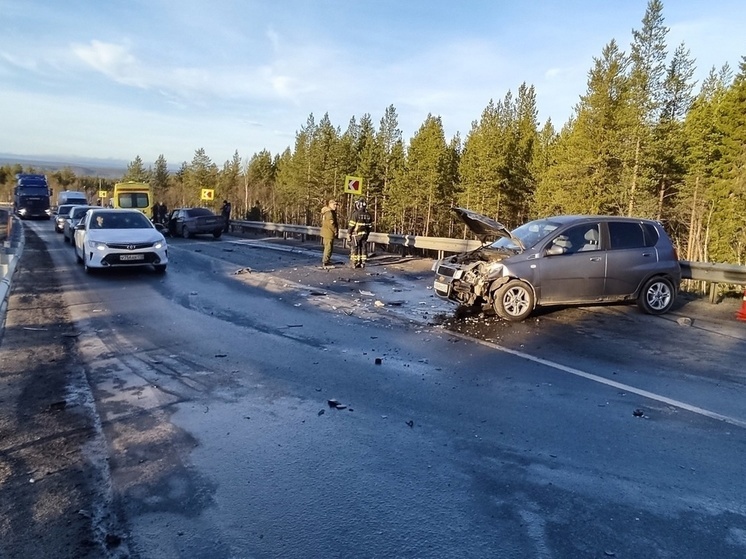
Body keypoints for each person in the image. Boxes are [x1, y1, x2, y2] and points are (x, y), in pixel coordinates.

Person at [347, 197, 373, 268]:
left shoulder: (356, 214)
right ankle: (362, 262)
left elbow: (351, 225)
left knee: (355, 248)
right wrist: (367, 234)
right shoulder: (368, 215)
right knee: (363, 248)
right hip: (364, 234)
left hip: (356, 234)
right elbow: (370, 227)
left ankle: (354, 262)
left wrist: (348, 234)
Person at [320, 199, 339, 268]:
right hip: (329, 232)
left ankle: (327, 260)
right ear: (330, 204)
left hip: (326, 231)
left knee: (328, 247)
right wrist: (335, 231)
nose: (336, 206)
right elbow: (332, 223)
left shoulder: (327, 212)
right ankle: (325, 261)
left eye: (336, 205)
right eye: (334, 204)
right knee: (328, 247)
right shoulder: (329, 213)